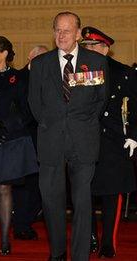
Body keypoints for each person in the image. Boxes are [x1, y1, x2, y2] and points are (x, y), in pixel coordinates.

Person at [28, 12, 108, 261]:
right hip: (50, 140)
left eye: (66, 30)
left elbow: (100, 101)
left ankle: (81, 255)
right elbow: (34, 102)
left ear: (77, 33)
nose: (61, 35)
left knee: (83, 203)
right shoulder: (41, 64)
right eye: (57, 30)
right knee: (51, 201)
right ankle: (58, 252)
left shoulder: (96, 62)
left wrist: (79, 124)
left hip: (83, 140)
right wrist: (51, 124)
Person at [80, 26, 137, 258]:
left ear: (105, 48)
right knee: (84, 193)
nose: (88, 50)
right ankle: (91, 236)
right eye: (86, 47)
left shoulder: (124, 73)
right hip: (85, 140)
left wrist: (134, 134)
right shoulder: (80, 73)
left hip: (114, 142)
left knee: (112, 193)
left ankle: (107, 242)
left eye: (92, 46)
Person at [0, 36, 38, 255]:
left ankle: (4, 239)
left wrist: (6, 126)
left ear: (4, 54)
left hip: (10, 139)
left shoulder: (18, 78)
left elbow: (28, 111)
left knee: (4, 189)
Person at [12, 45, 48, 241]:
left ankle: (27, 219)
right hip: (24, 137)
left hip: (43, 138)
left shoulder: (48, 79)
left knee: (39, 182)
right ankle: (21, 224)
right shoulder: (18, 78)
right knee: (25, 183)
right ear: (30, 57)